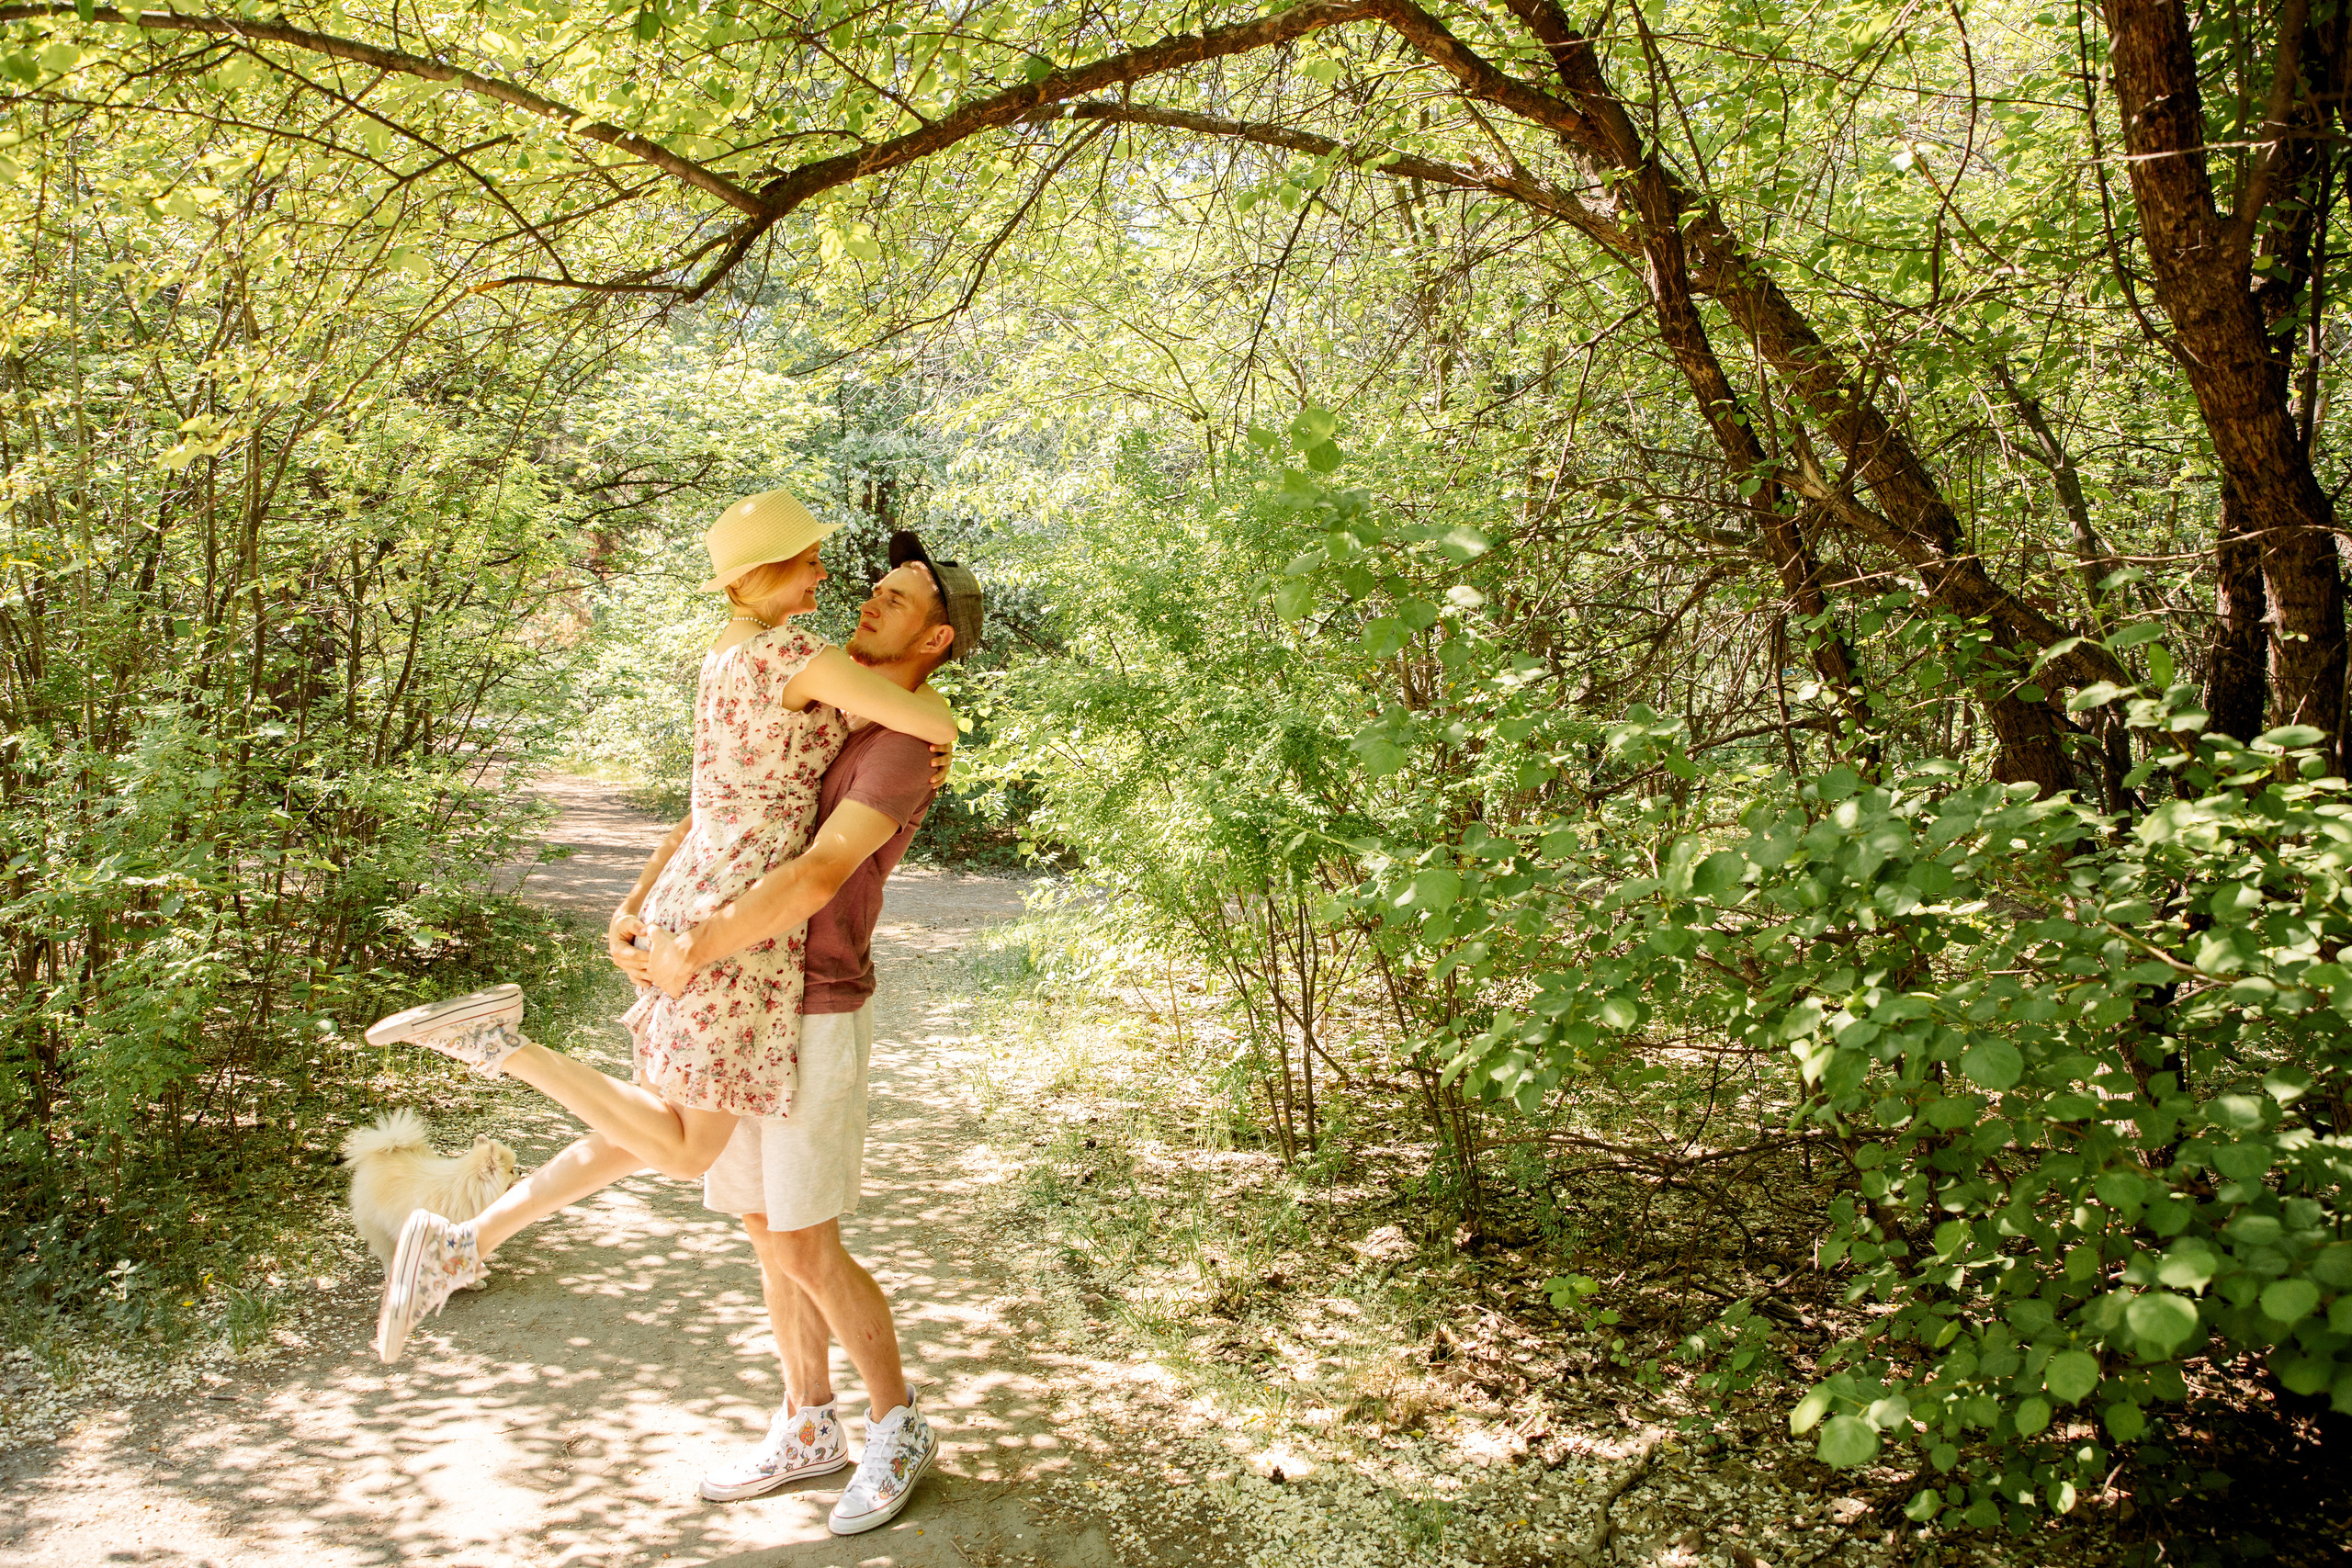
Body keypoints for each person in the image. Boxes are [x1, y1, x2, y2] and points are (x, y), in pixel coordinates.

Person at [361, 489, 958, 1378]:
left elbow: (719, 804)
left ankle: (462, 1242)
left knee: (649, 1126)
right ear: (766, 573)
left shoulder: (736, 656)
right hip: (738, 924)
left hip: (718, 907)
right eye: (811, 563)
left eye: (891, 595)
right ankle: (501, 1046)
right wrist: (943, 732)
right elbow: (884, 772)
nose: (842, 583)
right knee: (687, 1149)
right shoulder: (807, 661)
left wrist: (646, 901)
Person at [612, 530, 983, 1536]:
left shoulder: (900, 747)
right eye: (875, 587)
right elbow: (717, 809)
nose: (871, 600)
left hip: (815, 998)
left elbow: (819, 874)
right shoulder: (835, 702)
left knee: (809, 1243)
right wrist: (641, 906)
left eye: (898, 599)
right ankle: (808, 1421)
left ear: (936, 639)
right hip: (750, 993)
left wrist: (695, 946)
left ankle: (897, 1424)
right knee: (763, 1227)